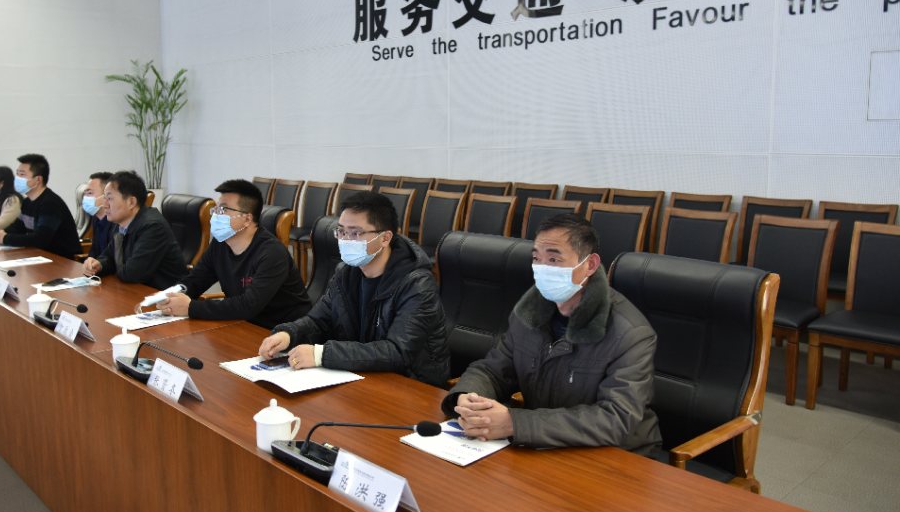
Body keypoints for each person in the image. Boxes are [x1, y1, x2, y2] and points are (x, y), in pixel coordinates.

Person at [441, 213, 661, 456]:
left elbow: (616, 419)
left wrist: (515, 423)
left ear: (590, 265)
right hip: (548, 444)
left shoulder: (631, 333)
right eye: (537, 259)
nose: (542, 269)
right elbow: (493, 370)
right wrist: (467, 398)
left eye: (554, 259)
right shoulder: (528, 314)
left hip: (618, 454)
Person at [258, 190, 449, 387]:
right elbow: (318, 321)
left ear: (385, 238)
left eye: (355, 233)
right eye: (341, 232)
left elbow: (397, 352)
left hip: (411, 386)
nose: (345, 240)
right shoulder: (346, 273)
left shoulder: (417, 285)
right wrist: (288, 334)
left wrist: (322, 354)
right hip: (361, 375)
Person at [158, 179, 310, 329]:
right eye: (215, 209)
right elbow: (196, 280)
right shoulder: (220, 244)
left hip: (283, 332)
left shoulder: (272, 253)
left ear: (247, 219)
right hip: (243, 324)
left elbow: (248, 306)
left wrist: (191, 307)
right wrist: (173, 295)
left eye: (223, 210)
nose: (215, 215)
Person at [82, 171, 187, 289]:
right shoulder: (120, 224)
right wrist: (99, 265)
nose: (105, 205)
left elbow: (133, 274)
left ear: (131, 202)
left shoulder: (152, 227)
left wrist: (113, 268)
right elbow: (110, 256)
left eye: (110, 198)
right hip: (135, 291)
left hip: (164, 295)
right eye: (105, 198)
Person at [0, 153, 82, 259]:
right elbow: (17, 228)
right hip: (40, 256)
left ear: (38, 180)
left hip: (62, 260)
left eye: (22, 175)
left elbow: (40, 239)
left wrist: (5, 238)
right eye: (17, 174)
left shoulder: (50, 203)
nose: (17, 178)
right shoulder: (27, 202)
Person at [81, 171, 117, 262]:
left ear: (106, 195)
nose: (85, 197)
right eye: (85, 193)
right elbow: (94, 251)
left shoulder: (117, 223)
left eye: (90, 193)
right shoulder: (96, 220)